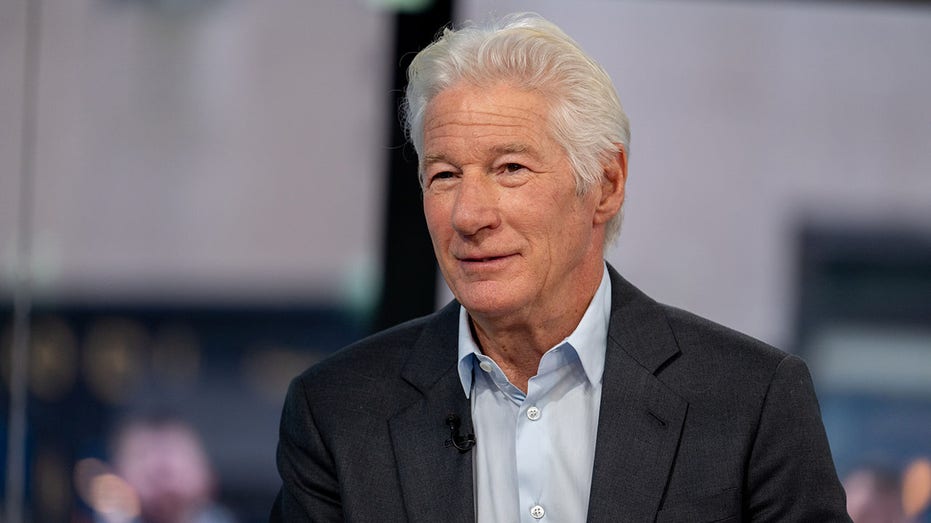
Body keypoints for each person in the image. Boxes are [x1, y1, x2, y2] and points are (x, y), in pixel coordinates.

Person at [272, 12, 850, 522]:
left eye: (511, 169)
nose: (468, 215)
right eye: (444, 175)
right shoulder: (337, 413)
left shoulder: (751, 400)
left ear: (606, 184)